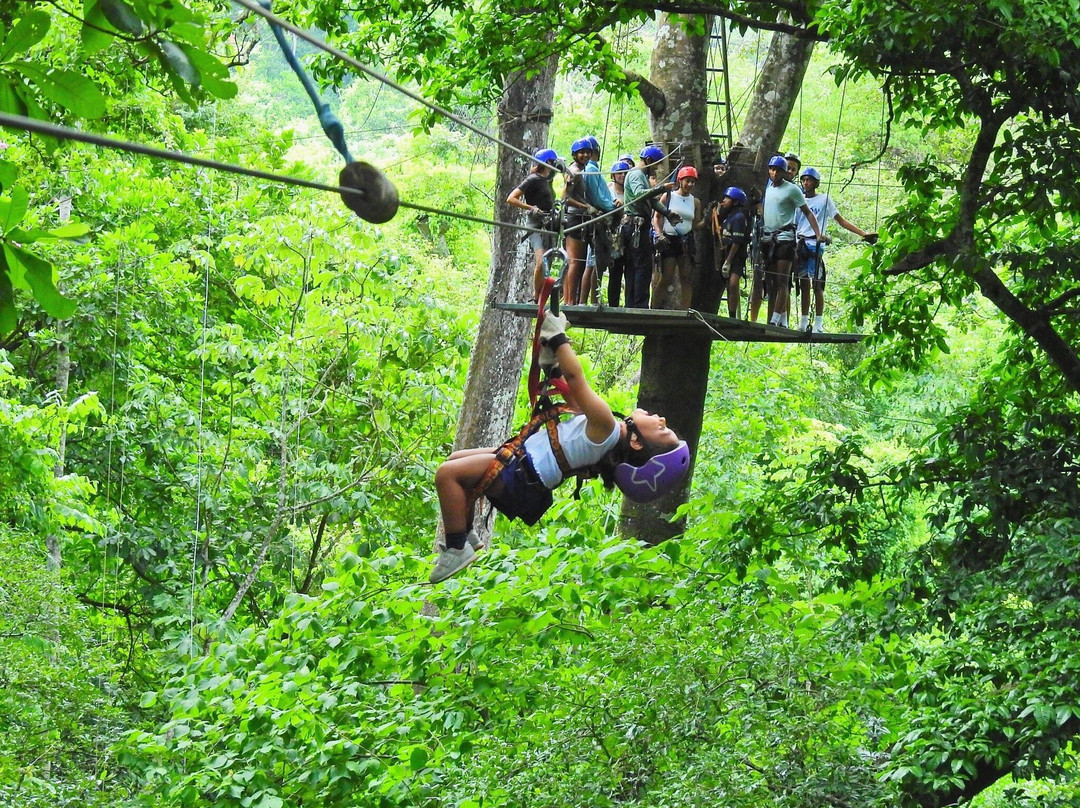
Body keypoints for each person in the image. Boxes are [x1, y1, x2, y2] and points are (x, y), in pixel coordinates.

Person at [429, 311, 691, 583]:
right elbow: (574, 400)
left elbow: (577, 381)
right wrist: (552, 367)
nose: (660, 418)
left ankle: (457, 547)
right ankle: (465, 532)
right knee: (456, 459)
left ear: (636, 441)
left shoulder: (607, 426)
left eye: (661, 428)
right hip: (523, 467)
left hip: (521, 473)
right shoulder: (605, 432)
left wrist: (558, 338)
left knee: (447, 475)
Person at [794, 167, 879, 332]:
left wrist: (863, 234)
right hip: (800, 243)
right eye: (804, 180)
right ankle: (803, 323)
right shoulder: (799, 200)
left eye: (809, 180)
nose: (806, 183)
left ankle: (818, 324)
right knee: (803, 283)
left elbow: (840, 220)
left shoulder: (824, 199)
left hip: (815, 244)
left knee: (817, 284)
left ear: (816, 183)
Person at [759, 154, 823, 328]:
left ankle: (775, 320)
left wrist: (817, 234)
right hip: (769, 238)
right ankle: (779, 319)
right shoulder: (768, 188)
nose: (774, 173)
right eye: (771, 169)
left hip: (785, 239)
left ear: (783, 172)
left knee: (782, 280)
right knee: (771, 279)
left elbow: (808, 212)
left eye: (778, 170)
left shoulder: (792, 189)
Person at [623, 145, 681, 308]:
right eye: (655, 164)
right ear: (648, 160)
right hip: (635, 226)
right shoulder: (636, 174)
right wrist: (662, 188)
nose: (656, 168)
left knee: (636, 266)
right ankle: (638, 305)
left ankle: (633, 304)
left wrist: (667, 213)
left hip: (639, 225)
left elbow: (651, 200)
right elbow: (638, 195)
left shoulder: (641, 176)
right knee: (641, 266)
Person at [507, 148, 560, 301]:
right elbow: (512, 198)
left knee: (548, 261)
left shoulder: (547, 179)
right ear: (548, 162)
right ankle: (536, 296)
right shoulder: (533, 179)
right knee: (541, 260)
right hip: (535, 224)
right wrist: (531, 208)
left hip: (548, 223)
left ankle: (542, 295)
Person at [652, 165, 703, 309]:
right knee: (666, 277)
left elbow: (696, 223)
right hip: (669, 239)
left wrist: (709, 219)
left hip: (686, 241)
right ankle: (654, 308)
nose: (690, 185)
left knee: (686, 278)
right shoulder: (668, 196)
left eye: (693, 182)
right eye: (687, 181)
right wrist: (659, 234)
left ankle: (685, 311)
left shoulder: (695, 202)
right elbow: (656, 217)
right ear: (680, 180)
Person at [580, 136, 621, 304]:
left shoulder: (592, 169)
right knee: (594, 262)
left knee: (598, 261)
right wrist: (613, 207)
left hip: (602, 216)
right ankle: (589, 300)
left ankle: (592, 299)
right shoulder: (590, 169)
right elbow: (597, 197)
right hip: (598, 218)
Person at [561, 138, 594, 304]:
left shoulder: (582, 170)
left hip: (580, 218)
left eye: (588, 152)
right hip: (575, 219)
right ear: (575, 154)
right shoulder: (575, 172)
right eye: (582, 153)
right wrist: (585, 206)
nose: (585, 155)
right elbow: (564, 198)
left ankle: (569, 300)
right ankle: (570, 301)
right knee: (575, 261)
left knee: (577, 262)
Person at [712, 186, 749, 319]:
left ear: (735, 202)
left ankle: (733, 316)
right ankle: (731, 314)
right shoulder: (728, 216)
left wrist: (728, 261)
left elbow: (737, 241)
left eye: (728, 198)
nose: (724, 200)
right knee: (728, 285)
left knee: (733, 284)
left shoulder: (739, 217)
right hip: (726, 254)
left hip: (736, 256)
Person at [607, 159, 632, 306]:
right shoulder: (608, 190)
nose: (622, 176)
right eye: (619, 173)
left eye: (625, 173)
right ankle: (613, 305)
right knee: (614, 272)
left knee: (629, 271)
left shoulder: (631, 192)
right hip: (613, 236)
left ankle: (629, 304)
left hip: (628, 235)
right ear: (613, 175)